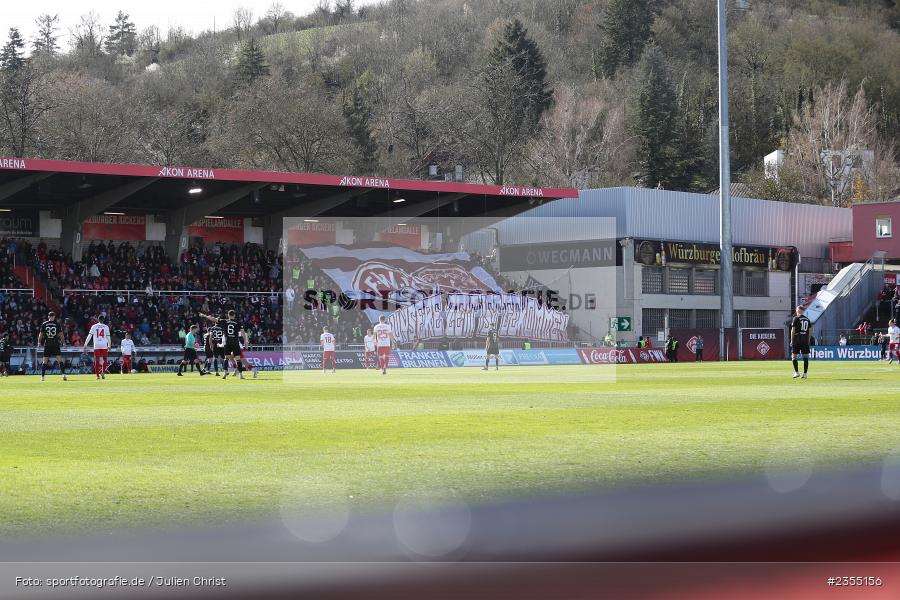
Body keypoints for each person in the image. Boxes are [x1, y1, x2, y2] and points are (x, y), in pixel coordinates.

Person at [38, 311, 67, 382]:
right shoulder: (57, 324)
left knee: (45, 361)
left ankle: (42, 377)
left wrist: (39, 342)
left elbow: (40, 334)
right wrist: (63, 343)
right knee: (60, 360)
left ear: (48, 317)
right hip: (55, 344)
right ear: (54, 317)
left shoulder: (44, 324)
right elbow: (61, 334)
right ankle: (63, 375)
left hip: (47, 344)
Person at [83, 315, 111, 380]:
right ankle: (103, 372)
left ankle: (97, 376)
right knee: (105, 359)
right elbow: (108, 337)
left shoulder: (94, 326)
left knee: (97, 360)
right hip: (104, 345)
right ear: (103, 320)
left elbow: (89, 336)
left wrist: (85, 344)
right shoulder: (106, 327)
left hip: (96, 345)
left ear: (98, 320)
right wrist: (109, 345)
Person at [790, 305, 813, 379]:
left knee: (794, 356)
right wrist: (808, 340)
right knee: (805, 357)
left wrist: (791, 340)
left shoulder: (796, 318)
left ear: (798, 310)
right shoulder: (807, 319)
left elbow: (793, 330)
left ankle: (796, 373)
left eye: (796, 310)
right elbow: (810, 331)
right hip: (805, 340)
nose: (796, 312)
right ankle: (805, 373)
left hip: (797, 339)